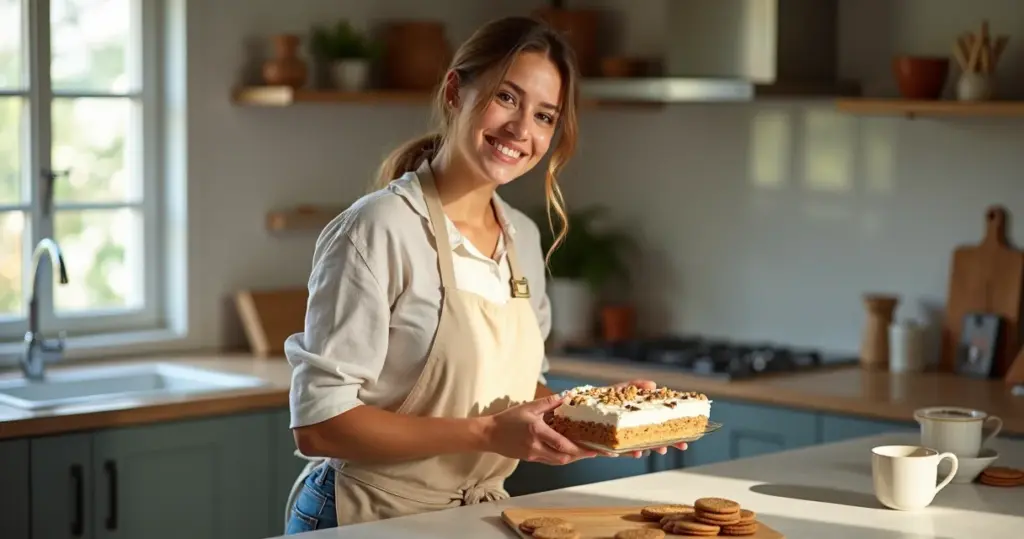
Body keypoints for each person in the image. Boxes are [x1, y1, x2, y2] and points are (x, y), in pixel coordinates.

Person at [282, 15, 686, 534]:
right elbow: (319, 426)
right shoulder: (380, 228)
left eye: (545, 116)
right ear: (455, 91)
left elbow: (519, 395)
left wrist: (605, 418)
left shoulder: (520, 236)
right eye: (507, 98)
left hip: (473, 517)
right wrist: (485, 433)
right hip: (365, 516)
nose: (522, 131)